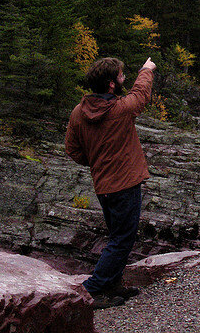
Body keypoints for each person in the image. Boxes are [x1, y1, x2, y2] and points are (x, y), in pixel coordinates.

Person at [65, 57, 155, 309]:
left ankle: (113, 286)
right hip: (125, 184)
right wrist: (146, 69)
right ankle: (91, 291)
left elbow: (72, 149)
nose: (124, 78)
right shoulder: (120, 109)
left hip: (103, 186)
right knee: (122, 239)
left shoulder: (78, 112)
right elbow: (141, 94)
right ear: (112, 84)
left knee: (117, 236)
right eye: (121, 75)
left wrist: (96, 161)